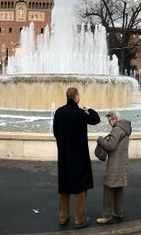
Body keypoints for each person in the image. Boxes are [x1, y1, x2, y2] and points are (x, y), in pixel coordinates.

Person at [53, 87, 100, 229]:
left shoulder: (59, 112)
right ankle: (80, 219)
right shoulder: (80, 113)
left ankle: (63, 216)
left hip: (64, 155)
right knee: (81, 185)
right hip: (79, 156)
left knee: (64, 185)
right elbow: (96, 119)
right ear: (76, 97)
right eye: (79, 96)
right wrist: (89, 109)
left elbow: (55, 131)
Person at [95, 110, 131, 224]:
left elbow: (110, 146)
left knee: (108, 188)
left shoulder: (117, 129)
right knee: (119, 188)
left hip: (115, 164)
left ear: (114, 119)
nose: (109, 123)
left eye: (109, 121)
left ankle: (107, 215)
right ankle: (119, 212)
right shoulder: (125, 128)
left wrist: (100, 139)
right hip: (122, 162)